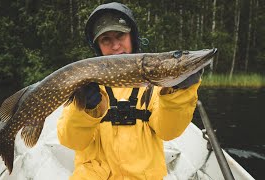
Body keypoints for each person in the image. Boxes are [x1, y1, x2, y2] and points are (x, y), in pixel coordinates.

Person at [57, 2, 202, 180]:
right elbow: (72, 141)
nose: (116, 46)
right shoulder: (85, 85)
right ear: (98, 46)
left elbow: (168, 131)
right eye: (106, 40)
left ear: (132, 37)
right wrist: (85, 110)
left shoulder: (158, 87)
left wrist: (179, 93)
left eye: (120, 36)